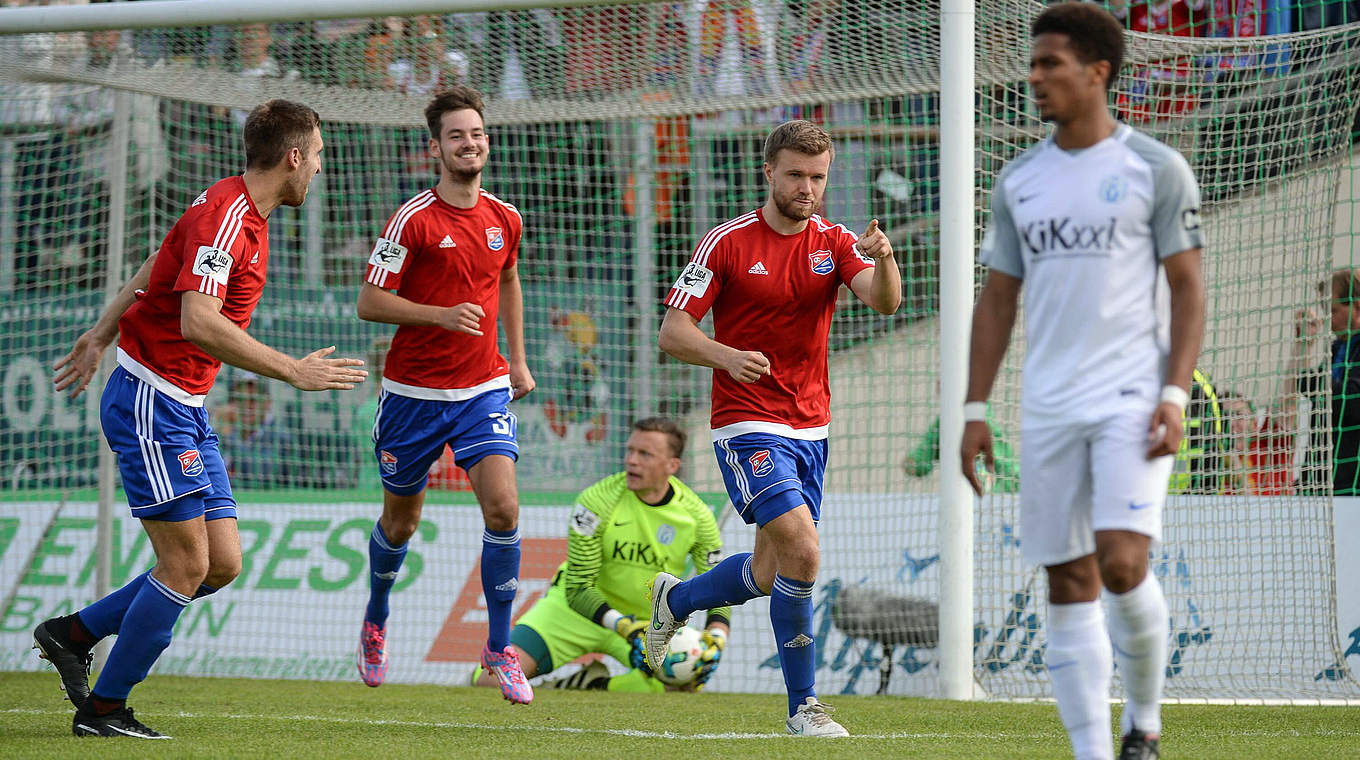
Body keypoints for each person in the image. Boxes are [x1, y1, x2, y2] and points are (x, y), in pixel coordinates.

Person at [33, 100, 367, 739]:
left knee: (220, 564)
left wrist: (102, 331)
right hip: (151, 403)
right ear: (294, 156)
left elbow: (161, 262)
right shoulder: (228, 216)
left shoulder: (237, 209)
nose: (319, 168)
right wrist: (293, 370)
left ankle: (71, 634)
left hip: (182, 405)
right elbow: (198, 320)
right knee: (184, 567)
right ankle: (103, 710)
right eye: (318, 154)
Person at [960, 5, 1205, 760]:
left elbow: (1190, 289)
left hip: (1133, 395)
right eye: (1032, 64)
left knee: (1123, 561)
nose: (1033, 77)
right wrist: (974, 408)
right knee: (1066, 583)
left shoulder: (1155, 169)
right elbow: (998, 298)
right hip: (1049, 404)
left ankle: (1145, 721)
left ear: (1098, 72)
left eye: (1050, 64)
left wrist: (1175, 393)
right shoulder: (1020, 180)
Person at [648, 118, 901, 737]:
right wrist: (726, 356)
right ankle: (803, 709)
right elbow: (673, 331)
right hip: (746, 423)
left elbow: (885, 302)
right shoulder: (727, 243)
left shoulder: (835, 241)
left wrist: (887, 259)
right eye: (795, 175)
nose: (807, 188)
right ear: (769, 173)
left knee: (770, 572)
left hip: (810, 427)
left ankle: (675, 600)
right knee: (805, 549)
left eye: (818, 177)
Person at [354, 86, 536, 704]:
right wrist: (437, 314)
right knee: (401, 523)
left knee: (504, 510)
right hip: (411, 394)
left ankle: (498, 649)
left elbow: (508, 280)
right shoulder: (413, 219)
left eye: (477, 134)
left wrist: (518, 359)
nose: (470, 144)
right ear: (435, 147)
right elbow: (369, 301)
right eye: (457, 136)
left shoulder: (505, 217)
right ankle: (376, 618)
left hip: (483, 388)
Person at [470, 417, 731, 693]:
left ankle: (593, 684)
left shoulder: (698, 516)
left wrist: (716, 637)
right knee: (489, 681)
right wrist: (622, 626)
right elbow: (579, 588)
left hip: (648, 624)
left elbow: (717, 585)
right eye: (630, 451)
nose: (632, 460)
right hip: (574, 613)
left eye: (645, 454)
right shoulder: (597, 501)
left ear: (672, 466)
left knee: (685, 683)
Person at [1297, 271, 1360, 495]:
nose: (1328, 320)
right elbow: (1305, 385)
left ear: (1356, 306)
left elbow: (1352, 400)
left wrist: (1318, 384)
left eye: (1333, 310)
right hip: (1322, 474)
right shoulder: (1338, 349)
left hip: (1352, 481)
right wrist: (1305, 343)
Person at [215, 371, 294, 489]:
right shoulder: (223, 433)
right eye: (240, 399)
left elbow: (262, 474)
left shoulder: (281, 437)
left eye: (253, 399)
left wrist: (228, 436)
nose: (246, 405)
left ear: (267, 403)